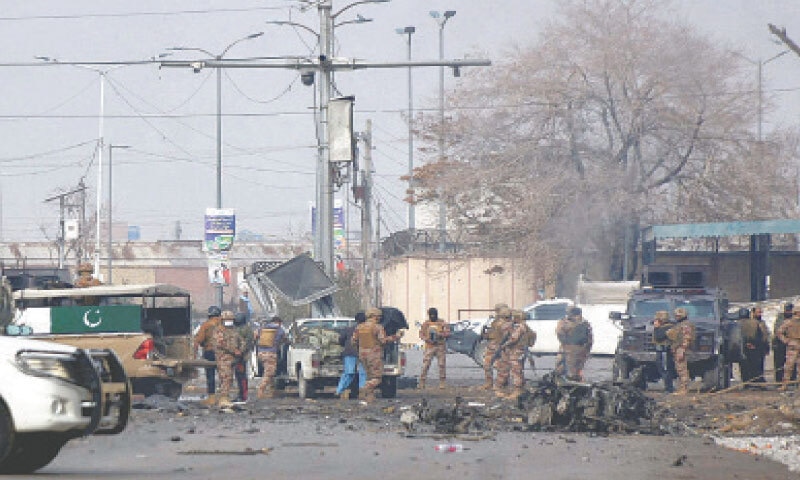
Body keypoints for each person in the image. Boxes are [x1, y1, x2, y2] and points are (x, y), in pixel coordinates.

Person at [352, 307, 398, 403]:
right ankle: (365, 388)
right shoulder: (377, 327)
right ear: (374, 316)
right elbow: (383, 340)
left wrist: (359, 350)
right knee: (376, 378)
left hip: (362, 355)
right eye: (379, 316)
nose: (380, 318)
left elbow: (353, 341)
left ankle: (369, 398)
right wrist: (395, 337)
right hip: (375, 355)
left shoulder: (359, 327)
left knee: (369, 377)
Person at [495, 309, 536, 399]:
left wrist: (504, 345)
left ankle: (518, 390)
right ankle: (517, 389)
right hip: (517, 351)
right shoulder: (522, 326)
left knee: (516, 371)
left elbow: (514, 339)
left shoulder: (520, 327)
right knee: (516, 370)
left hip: (517, 351)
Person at [213, 310, 247, 407]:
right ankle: (223, 398)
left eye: (231, 320)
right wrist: (234, 350)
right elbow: (220, 344)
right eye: (227, 320)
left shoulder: (234, 330)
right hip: (223, 359)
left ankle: (224, 397)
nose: (229, 321)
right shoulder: (219, 330)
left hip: (233, 359)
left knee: (229, 379)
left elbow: (242, 341)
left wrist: (240, 350)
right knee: (225, 378)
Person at [194, 306, 222, 406]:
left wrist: (195, 353)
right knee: (223, 375)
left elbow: (199, 340)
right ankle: (224, 397)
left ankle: (211, 398)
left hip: (209, 352)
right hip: (222, 353)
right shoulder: (222, 325)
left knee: (210, 375)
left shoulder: (206, 325)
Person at [555, 307, 593, 381]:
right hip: (568, 348)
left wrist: (585, 350)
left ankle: (574, 385)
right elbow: (560, 334)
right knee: (560, 369)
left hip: (576, 350)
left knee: (573, 372)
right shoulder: (565, 322)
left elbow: (589, 339)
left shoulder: (584, 323)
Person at [335, 312, 367, 399]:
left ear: (356, 320)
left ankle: (340, 390)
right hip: (364, 353)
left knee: (349, 373)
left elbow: (340, 340)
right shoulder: (368, 330)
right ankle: (362, 391)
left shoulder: (348, 329)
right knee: (363, 373)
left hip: (350, 353)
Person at [480, 304, 511, 391]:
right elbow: (491, 333)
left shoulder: (507, 324)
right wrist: (485, 334)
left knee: (502, 367)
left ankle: (501, 384)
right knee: (487, 365)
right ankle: (489, 383)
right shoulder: (495, 322)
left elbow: (507, 337)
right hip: (491, 345)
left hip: (501, 347)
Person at [418, 307, 451, 389]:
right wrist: (427, 339)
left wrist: (440, 335)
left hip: (440, 346)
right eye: (431, 315)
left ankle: (442, 382)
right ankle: (422, 382)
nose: (433, 316)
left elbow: (448, 333)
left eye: (434, 315)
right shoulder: (426, 324)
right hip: (430, 346)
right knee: (426, 365)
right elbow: (421, 334)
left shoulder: (442, 323)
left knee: (441, 365)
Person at [255, 316, 286, 399]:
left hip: (261, 353)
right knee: (269, 373)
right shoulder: (279, 330)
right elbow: (284, 340)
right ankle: (261, 390)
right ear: (279, 322)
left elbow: (255, 336)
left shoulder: (262, 328)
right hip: (271, 354)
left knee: (270, 371)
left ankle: (271, 391)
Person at [666, 307, 695, 395]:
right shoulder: (680, 324)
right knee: (679, 368)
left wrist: (682, 349)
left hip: (681, 348)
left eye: (678, 315)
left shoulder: (685, 325)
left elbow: (687, 338)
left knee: (682, 369)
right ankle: (681, 388)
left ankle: (684, 389)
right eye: (676, 315)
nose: (676, 317)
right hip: (678, 348)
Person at [738, 307, 770, 387]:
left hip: (746, 347)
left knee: (746, 366)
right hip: (754, 347)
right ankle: (755, 382)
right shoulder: (754, 323)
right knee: (754, 366)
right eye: (758, 312)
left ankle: (748, 383)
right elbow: (759, 336)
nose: (760, 314)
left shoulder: (737, 324)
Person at [776, 305, 800, 391]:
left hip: (794, 344)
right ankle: (785, 384)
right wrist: (786, 340)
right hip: (792, 344)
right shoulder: (789, 322)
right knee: (788, 366)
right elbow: (779, 332)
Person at [233, 312, 256, 402]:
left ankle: (243, 395)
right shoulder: (242, 329)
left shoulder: (245, 330)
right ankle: (241, 394)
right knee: (239, 376)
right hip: (239, 355)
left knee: (241, 376)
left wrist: (240, 352)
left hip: (242, 356)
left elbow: (247, 343)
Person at [652, 310, 675, 393]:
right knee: (662, 368)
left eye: (657, 320)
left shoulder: (668, 327)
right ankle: (668, 387)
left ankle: (669, 388)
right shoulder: (666, 327)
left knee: (665, 369)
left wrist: (657, 328)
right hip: (661, 351)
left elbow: (659, 337)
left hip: (664, 351)